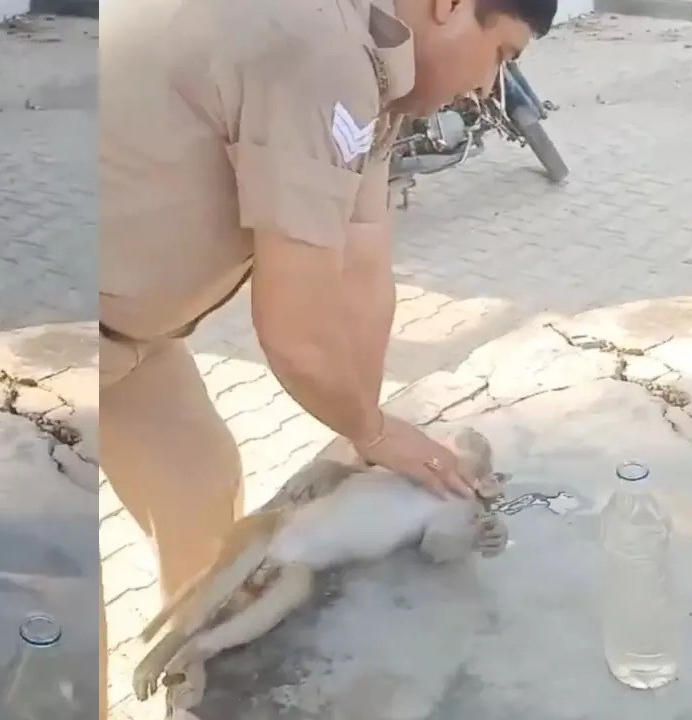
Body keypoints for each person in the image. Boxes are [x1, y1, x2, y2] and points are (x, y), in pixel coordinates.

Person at [97, 0, 557, 711]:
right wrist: (373, 432)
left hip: (138, 337)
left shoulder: (376, 67)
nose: (491, 88)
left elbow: (363, 263)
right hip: (64, 320)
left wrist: (363, 432)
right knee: (54, 603)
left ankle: (194, 683)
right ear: (453, 7)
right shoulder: (316, 47)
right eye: (503, 55)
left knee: (203, 487)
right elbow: (294, 325)